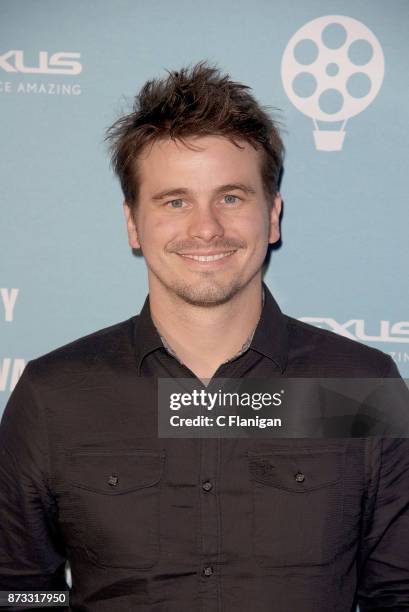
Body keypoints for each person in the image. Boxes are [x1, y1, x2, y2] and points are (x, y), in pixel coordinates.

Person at [0, 61, 408, 612]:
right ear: (132, 224)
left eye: (232, 197)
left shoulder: (359, 388)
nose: (206, 227)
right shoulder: (55, 396)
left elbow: (398, 593)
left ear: (273, 217)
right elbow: (18, 589)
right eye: (175, 201)